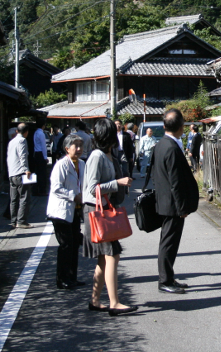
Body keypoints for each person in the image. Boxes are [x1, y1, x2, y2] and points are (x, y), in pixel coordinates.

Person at [82, 119, 136, 316]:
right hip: (97, 211)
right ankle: (114, 303)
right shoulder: (97, 156)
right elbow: (92, 188)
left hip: (101, 209)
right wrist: (117, 182)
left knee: (104, 259)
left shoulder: (107, 154)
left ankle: (95, 300)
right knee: (112, 255)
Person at [150, 108, 199, 294]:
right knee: (169, 243)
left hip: (164, 200)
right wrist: (181, 207)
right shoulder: (171, 148)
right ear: (180, 127)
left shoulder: (161, 144)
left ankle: (168, 277)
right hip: (172, 204)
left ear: (164, 126)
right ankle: (164, 280)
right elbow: (176, 182)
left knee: (168, 241)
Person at [47, 133, 85, 290]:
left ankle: (72, 277)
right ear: (66, 148)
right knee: (66, 244)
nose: (79, 149)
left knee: (75, 243)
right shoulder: (61, 165)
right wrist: (73, 196)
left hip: (75, 210)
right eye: (75, 146)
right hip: (61, 211)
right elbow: (56, 188)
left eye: (80, 146)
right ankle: (62, 279)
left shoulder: (82, 163)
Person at [7, 122, 33, 229]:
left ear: (17, 131)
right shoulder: (22, 140)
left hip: (12, 173)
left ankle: (13, 221)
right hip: (20, 172)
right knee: (24, 197)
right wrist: (26, 169)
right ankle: (21, 221)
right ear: (26, 132)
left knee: (13, 199)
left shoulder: (12, 141)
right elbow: (23, 156)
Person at [32, 119, 49, 196]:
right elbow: (43, 146)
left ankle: (35, 189)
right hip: (41, 153)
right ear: (43, 126)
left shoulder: (35, 132)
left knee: (37, 172)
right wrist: (45, 157)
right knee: (42, 173)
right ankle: (42, 190)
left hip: (36, 153)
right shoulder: (41, 133)